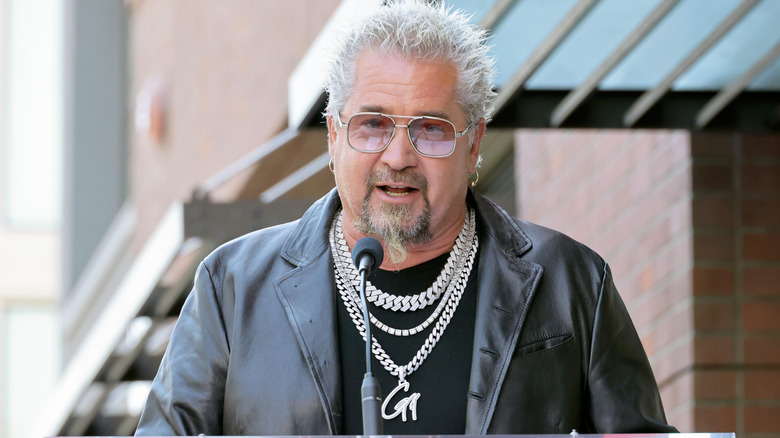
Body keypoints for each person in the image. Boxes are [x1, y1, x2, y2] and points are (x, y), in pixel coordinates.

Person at [135, 1, 677, 435]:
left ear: (474, 144)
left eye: (431, 129)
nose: (398, 156)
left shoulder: (569, 279)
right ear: (333, 136)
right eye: (372, 125)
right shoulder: (231, 287)